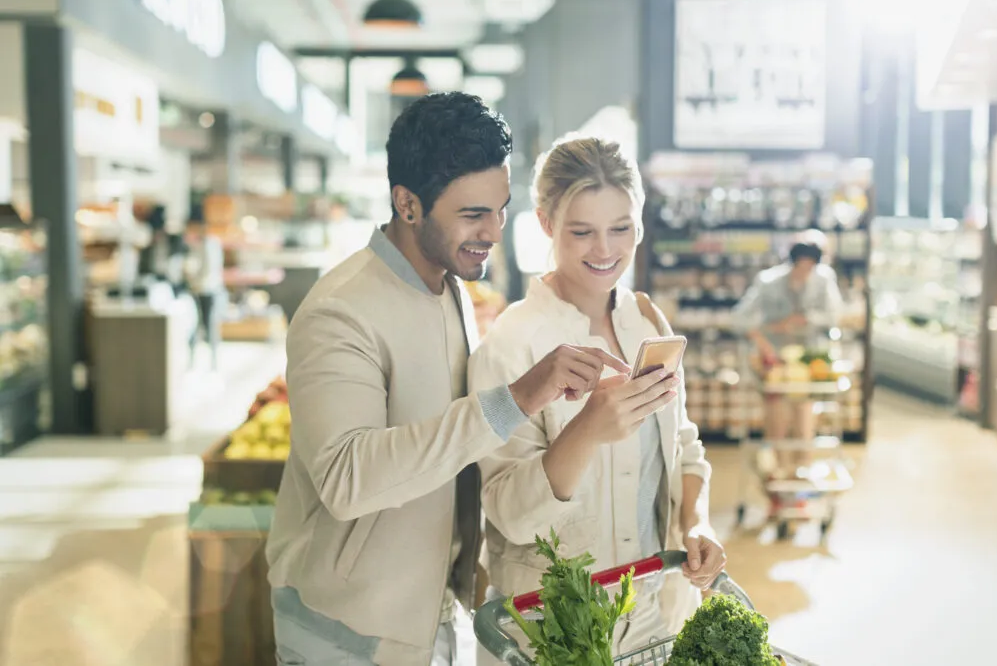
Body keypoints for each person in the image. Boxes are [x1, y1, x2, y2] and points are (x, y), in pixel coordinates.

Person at [266, 94, 667, 666]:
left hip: (428, 613)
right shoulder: (340, 310)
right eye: (472, 214)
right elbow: (346, 478)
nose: (493, 231)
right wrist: (520, 398)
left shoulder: (447, 286)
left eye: (501, 209)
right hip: (346, 627)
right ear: (408, 204)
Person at [468, 135, 725, 661]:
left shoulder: (646, 322)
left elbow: (682, 442)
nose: (605, 250)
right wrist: (586, 430)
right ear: (545, 224)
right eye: (582, 231)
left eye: (621, 228)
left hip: (652, 616)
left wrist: (695, 521)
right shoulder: (512, 345)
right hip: (550, 629)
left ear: (641, 222)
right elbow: (507, 513)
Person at [732, 230, 844, 472]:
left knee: (804, 414)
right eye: (801, 266)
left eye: (810, 267)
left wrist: (806, 319)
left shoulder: (824, 280)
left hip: (808, 359)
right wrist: (766, 334)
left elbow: (835, 315)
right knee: (777, 416)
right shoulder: (768, 281)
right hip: (775, 359)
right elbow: (740, 318)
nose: (805, 272)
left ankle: (801, 472)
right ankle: (778, 472)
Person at [185, 221, 225, 370]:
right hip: (201, 290)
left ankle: (212, 362)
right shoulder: (200, 244)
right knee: (197, 324)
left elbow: (207, 271)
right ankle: (195, 361)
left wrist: (194, 280)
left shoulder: (209, 245)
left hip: (207, 290)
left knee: (208, 325)